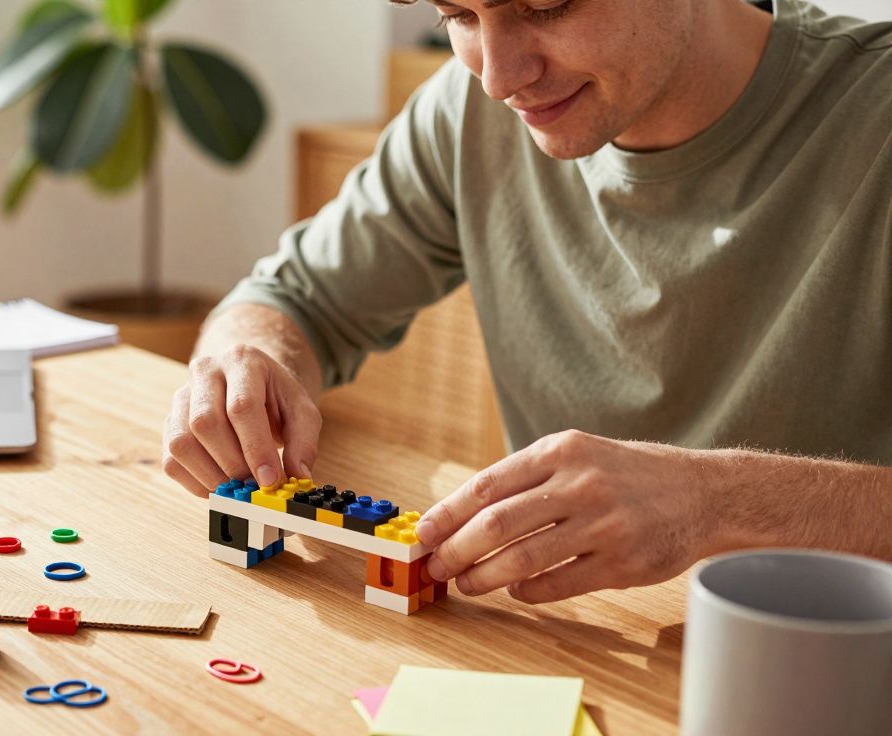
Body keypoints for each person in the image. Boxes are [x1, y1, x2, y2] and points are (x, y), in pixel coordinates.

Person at [161, 0, 892, 604]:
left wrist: (716, 501)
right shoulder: (464, 114)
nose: (499, 80)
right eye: (459, 15)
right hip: (562, 656)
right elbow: (293, 297)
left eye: (547, 6)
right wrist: (244, 360)